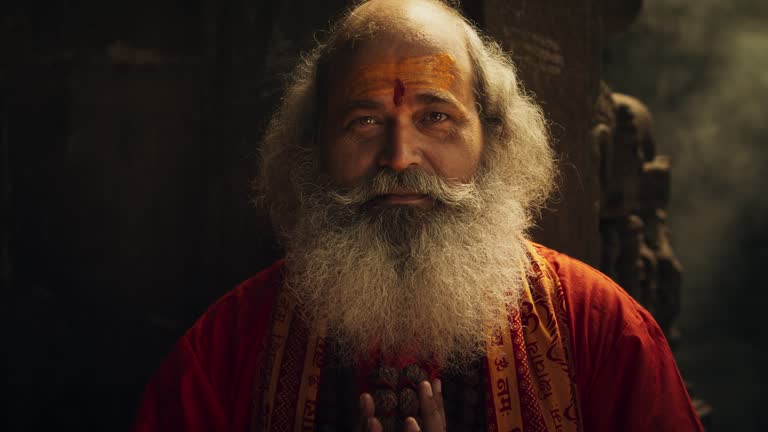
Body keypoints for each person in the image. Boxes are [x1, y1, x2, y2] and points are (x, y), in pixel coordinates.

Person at [132, 0, 704, 431]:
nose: (400, 157)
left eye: (436, 118)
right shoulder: (225, 352)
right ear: (312, 148)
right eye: (364, 121)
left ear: (494, 140)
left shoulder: (602, 332)